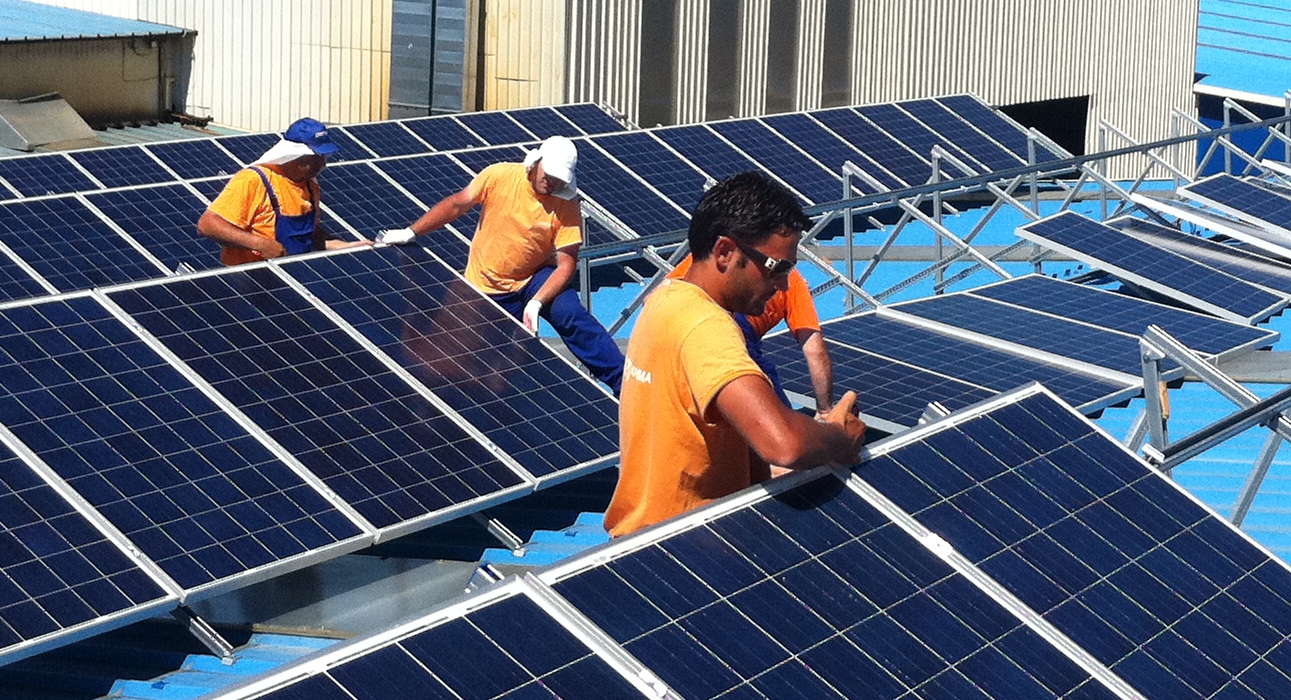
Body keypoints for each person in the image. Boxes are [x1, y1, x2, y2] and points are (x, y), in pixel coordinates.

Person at [604, 170, 864, 538]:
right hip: (685, 543)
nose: (783, 285)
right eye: (777, 268)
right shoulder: (705, 326)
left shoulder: (665, 300)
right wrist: (837, 437)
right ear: (725, 252)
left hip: (647, 539)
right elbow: (784, 444)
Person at [386, 136, 624, 391]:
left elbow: (566, 265)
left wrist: (537, 302)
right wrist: (411, 232)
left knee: (570, 314)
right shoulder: (500, 176)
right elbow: (457, 205)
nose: (551, 181)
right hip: (485, 286)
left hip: (534, 279)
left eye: (558, 178)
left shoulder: (565, 204)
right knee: (467, 360)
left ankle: (623, 383)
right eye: (548, 173)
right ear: (536, 162)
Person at [667, 241, 835, 404]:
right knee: (775, 414)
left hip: (684, 332)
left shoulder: (710, 257)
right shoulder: (794, 283)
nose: (781, 285)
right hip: (736, 338)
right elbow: (814, 350)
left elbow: (662, 292)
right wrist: (825, 409)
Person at [196, 121, 349, 264]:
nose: (323, 163)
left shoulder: (310, 185)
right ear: (298, 156)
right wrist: (260, 244)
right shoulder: (253, 180)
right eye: (317, 157)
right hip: (249, 276)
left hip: (291, 272)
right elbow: (207, 225)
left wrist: (333, 244)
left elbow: (304, 234)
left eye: (324, 156)